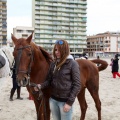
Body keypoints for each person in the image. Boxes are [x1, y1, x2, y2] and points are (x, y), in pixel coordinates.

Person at [34, 40, 81, 120]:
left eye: (59, 50)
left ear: (65, 50)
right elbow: (49, 80)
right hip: (53, 101)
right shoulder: (53, 64)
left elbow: (77, 85)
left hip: (65, 102)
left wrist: (69, 103)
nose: (57, 52)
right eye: (55, 50)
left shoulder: (73, 64)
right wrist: (40, 86)